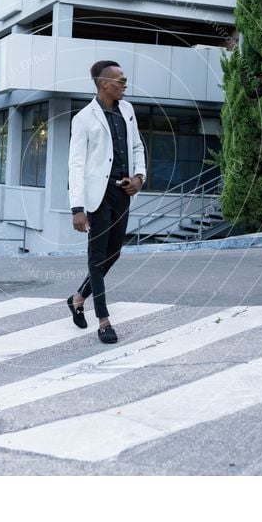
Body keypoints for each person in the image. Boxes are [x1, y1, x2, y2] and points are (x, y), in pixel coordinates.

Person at [67, 60, 146, 344]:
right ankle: (103, 321)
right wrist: (77, 208)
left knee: (113, 254)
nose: (125, 85)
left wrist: (139, 177)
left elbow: (137, 146)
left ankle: (78, 298)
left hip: (123, 193)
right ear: (103, 84)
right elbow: (75, 165)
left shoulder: (127, 110)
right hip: (97, 198)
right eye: (120, 81)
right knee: (97, 258)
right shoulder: (84, 118)